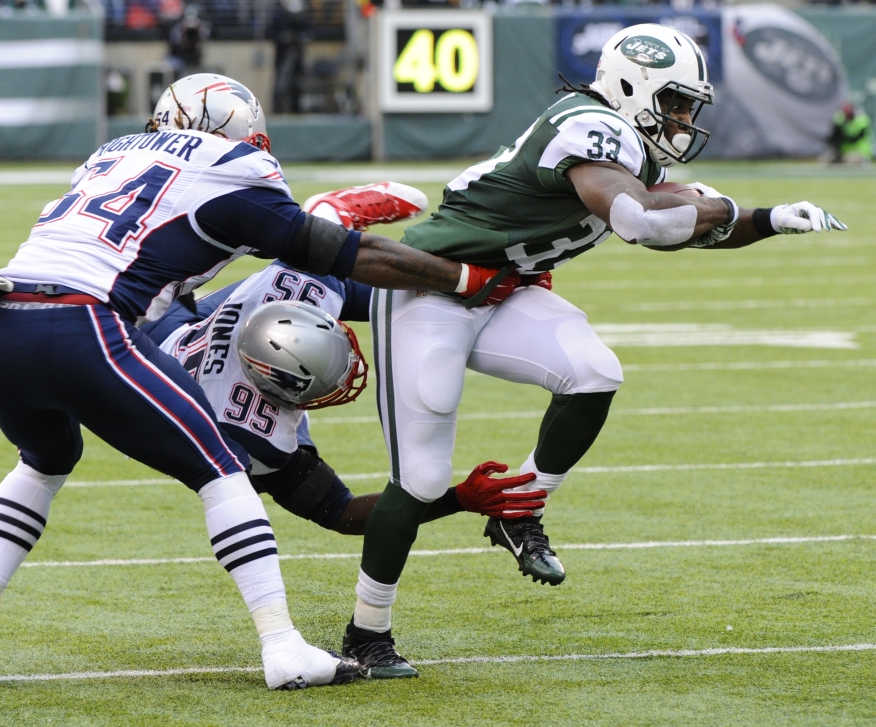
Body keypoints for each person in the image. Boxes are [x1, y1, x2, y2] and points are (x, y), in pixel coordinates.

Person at [0, 73, 516, 690]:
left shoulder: (110, 153)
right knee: (221, 470)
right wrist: (461, 279)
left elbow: (164, 284)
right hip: (82, 323)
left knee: (47, 458)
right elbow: (336, 257)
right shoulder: (238, 168)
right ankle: (281, 646)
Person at [330, 23, 849, 678]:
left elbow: (686, 226)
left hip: (502, 291)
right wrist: (706, 204)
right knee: (424, 478)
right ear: (631, 87)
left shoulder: (632, 151)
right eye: (675, 102)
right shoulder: (587, 123)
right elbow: (639, 221)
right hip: (427, 288)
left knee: (594, 370)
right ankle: (366, 630)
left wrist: (768, 218)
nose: (684, 119)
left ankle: (520, 508)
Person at [142, 260, 545, 539]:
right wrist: (455, 499)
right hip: (159, 336)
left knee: (417, 296)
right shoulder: (247, 440)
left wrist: (469, 283)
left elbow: (386, 280)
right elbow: (339, 511)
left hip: (220, 324)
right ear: (273, 385)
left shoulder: (297, 286)